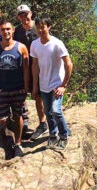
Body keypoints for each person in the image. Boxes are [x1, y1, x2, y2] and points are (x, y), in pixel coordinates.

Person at [31, 16, 73, 151]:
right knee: (48, 112)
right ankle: (53, 135)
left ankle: (64, 135)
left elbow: (69, 64)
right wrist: (35, 86)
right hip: (43, 84)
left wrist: (63, 85)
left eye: (43, 27)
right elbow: (35, 65)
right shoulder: (35, 44)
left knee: (56, 110)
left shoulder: (57, 43)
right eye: (38, 27)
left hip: (56, 84)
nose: (40, 30)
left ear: (49, 27)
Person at [0, 19, 30, 157]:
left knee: (18, 116)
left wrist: (26, 87)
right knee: (2, 119)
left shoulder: (21, 47)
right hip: (2, 89)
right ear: (0, 32)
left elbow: (26, 69)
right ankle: (7, 136)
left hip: (18, 88)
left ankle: (18, 144)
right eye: (3, 29)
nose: (6, 32)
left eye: (8, 29)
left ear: (12, 31)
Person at [13, 4, 47, 140]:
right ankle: (24, 121)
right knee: (22, 94)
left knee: (39, 96)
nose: (24, 17)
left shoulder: (38, 27)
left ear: (31, 14)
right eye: (21, 15)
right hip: (24, 68)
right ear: (18, 17)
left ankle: (43, 123)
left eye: (26, 14)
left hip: (40, 68)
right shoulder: (17, 31)